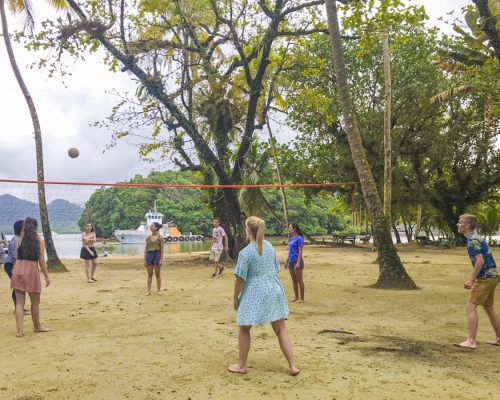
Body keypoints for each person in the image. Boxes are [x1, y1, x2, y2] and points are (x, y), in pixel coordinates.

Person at [228, 216, 299, 376]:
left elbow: (240, 279)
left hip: (255, 291)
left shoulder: (245, 253)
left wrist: (235, 298)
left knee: (244, 328)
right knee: (281, 329)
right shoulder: (268, 246)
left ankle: (241, 365)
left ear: (248, 230)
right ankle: (292, 365)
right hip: (274, 288)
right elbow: (275, 268)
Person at [454, 214, 499, 349]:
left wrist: (471, 279)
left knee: (470, 307)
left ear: (467, 226)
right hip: (492, 276)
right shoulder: (476, 238)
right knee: (489, 308)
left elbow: (480, 261)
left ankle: (471, 341)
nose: (457, 224)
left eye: (460, 222)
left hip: (485, 278)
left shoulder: (472, 241)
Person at [11, 217, 50, 337]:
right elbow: (42, 261)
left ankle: (19, 331)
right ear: (36, 227)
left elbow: (17, 256)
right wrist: (47, 276)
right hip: (31, 271)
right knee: (35, 302)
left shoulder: (19, 239)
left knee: (19, 303)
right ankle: (37, 326)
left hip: (17, 269)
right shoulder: (39, 241)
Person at [4, 220, 29, 313]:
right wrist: (18, 268)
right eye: (24, 227)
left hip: (14, 265)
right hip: (11, 265)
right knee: (17, 286)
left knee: (19, 286)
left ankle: (20, 307)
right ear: (20, 229)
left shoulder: (20, 238)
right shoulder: (16, 240)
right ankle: (18, 308)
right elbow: (16, 256)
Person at [285, 223, 305, 303]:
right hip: (291, 261)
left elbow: (300, 252)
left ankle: (302, 298)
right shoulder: (292, 238)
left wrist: (298, 262)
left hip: (297, 261)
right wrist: (287, 261)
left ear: (294, 229)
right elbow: (290, 251)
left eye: (290, 228)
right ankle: (296, 297)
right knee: (294, 280)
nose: (289, 229)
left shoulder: (299, 238)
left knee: (300, 280)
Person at [144, 222, 164, 295]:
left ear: (156, 228)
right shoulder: (148, 238)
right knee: (149, 275)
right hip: (149, 255)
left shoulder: (160, 238)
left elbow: (162, 250)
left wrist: (161, 260)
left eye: (152, 226)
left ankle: (158, 290)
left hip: (157, 255)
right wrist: (144, 260)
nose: (150, 227)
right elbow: (145, 249)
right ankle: (148, 291)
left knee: (157, 274)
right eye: (151, 226)